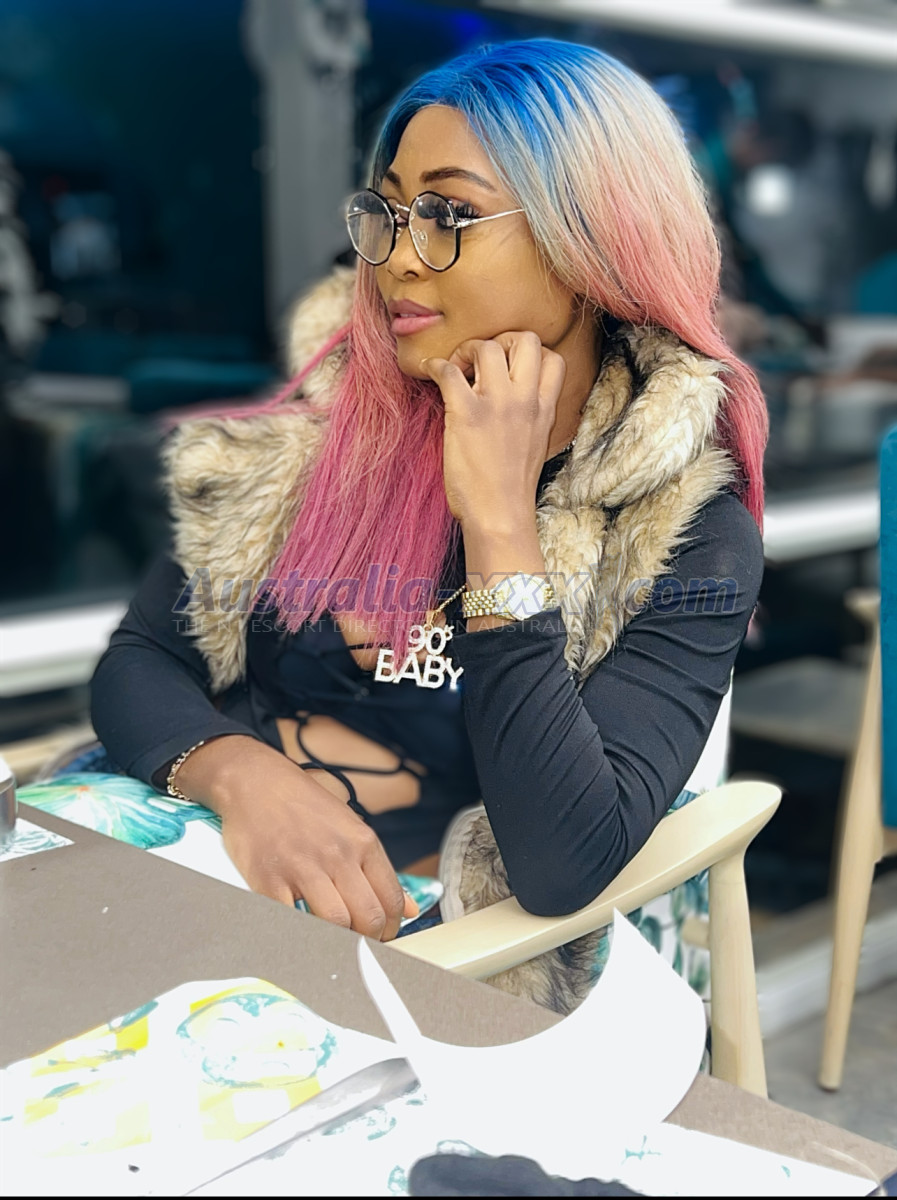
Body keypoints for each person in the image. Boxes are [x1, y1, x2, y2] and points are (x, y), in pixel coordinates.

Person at [90, 39, 766, 1013]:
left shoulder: (681, 528)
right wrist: (242, 776)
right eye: (393, 212)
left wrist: (498, 523)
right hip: (228, 890)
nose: (399, 256)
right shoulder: (316, 446)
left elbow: (562, 861)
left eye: (448, 215)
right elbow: (144, 657)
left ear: (590, 245)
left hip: (458, 973)